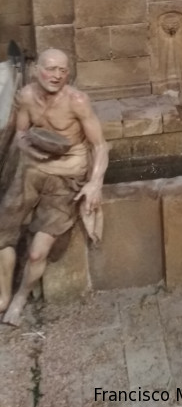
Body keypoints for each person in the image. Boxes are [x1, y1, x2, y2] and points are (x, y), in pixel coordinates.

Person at [0, 48, 108, 326]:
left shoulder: (77, 101)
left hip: (67, 174)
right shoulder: (25, 97)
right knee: (3, 231)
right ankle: (3, 295)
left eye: (62, 70)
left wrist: (94, 183)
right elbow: (21, 134)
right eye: (50, 69)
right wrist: (34, 145)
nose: (56, 75)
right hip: (34, 169)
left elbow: (99, 145)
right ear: (37, 69)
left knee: (37, 251)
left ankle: (21, 296)